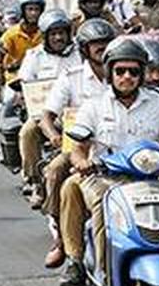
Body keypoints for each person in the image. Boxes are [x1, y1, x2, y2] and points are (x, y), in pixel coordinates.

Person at [59, 38, 159, 286]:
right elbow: (78, 150)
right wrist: (82, 163)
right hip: (106, 176)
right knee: (71, 188)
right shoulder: (94, 105)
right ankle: (86, 263)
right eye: (120, 71)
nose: (127, 77)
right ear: (111, 73)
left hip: (154, 174)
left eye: (134, 71)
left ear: (142, 74)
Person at [39, 19, 116, 269]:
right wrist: (54, 136)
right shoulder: (71, 78)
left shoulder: (124, 73)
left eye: (106, 44)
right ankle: (64, 242)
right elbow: (47, 116)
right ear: (84, 48)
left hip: (119, 147)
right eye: (96, 45)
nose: (102, 49)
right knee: (55, 172)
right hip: (78, 147)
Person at [15, 8, 81, 209]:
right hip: (45, 114)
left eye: (62, 33)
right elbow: (26, 82)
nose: (59, 37)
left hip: (76, 114)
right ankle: (34, 181)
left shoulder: (80, 54)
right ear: (45, 37)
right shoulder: (34, 56)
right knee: (27, 132)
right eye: (53, 34)